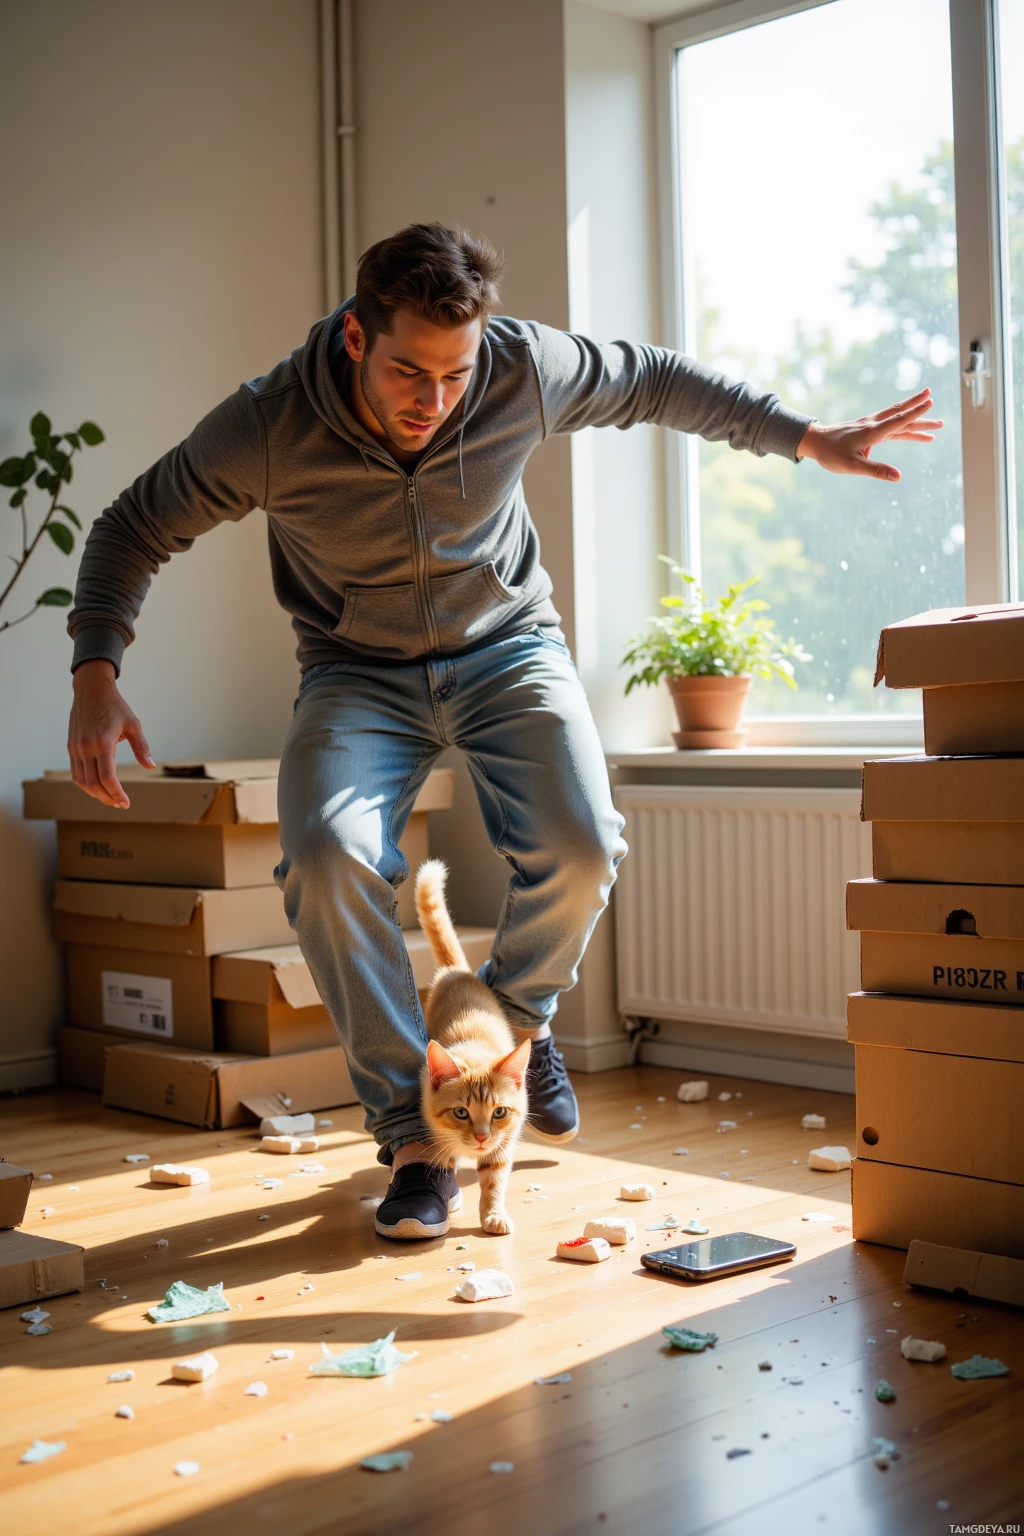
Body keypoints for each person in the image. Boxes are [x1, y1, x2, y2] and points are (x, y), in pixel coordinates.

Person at [66, 222, 941, 1239]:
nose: (432, 402)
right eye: (408, 372)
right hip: (357, 673)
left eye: (454, 374)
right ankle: (411, 1134)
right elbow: (131, 525)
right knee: (323, 855)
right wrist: (96, 671)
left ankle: (514, 1033)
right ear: (356, 337)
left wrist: (800, 436)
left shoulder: (523, 365)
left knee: (581, 844)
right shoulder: (268, 424)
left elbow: (654, 381)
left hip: (507, 648)